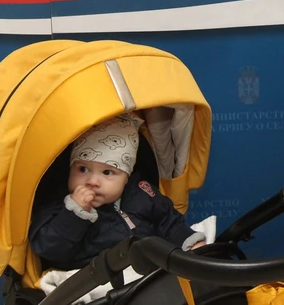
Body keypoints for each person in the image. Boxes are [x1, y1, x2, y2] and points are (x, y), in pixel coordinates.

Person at [29, 112, 205, 271]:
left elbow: (168, 221)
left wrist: (189, 242)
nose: (92, 181)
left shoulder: (142, 192)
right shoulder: (58, 206)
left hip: (148, 273)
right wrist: (74, 215)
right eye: (83, 169)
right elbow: (48, 250)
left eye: (107, 172)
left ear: (126, 177)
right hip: (93, 280)